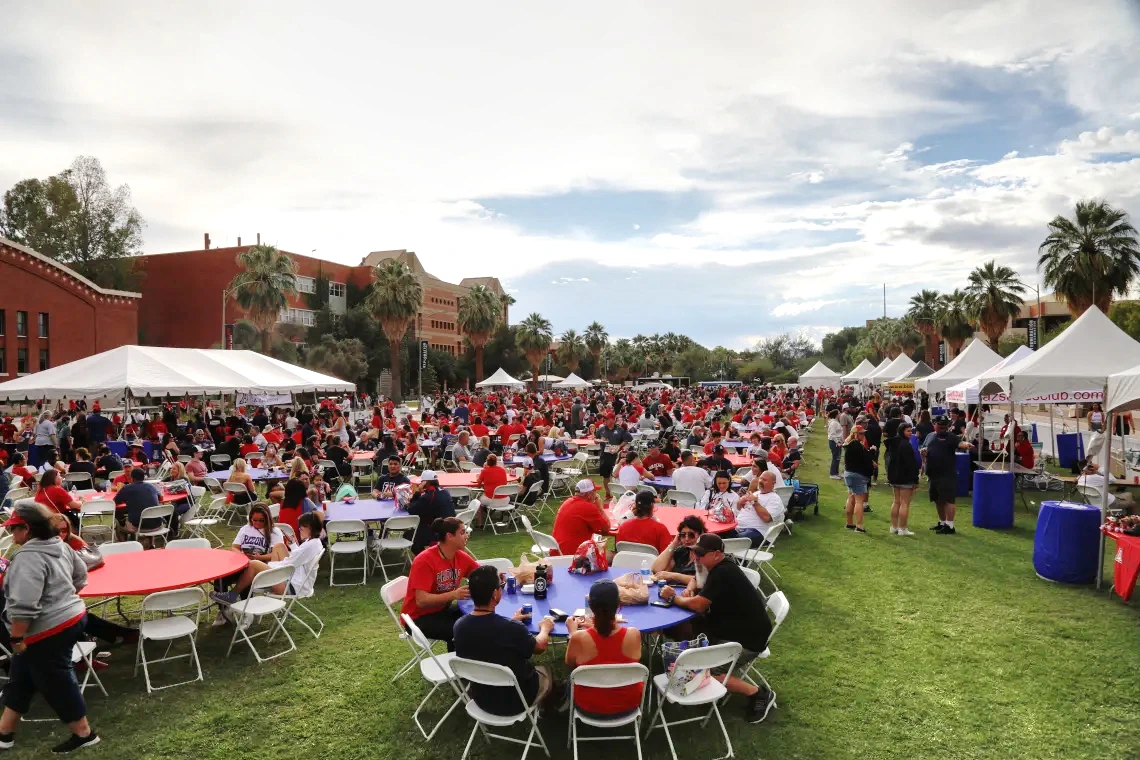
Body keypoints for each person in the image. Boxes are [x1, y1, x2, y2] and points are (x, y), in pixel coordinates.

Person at [0, 503, 100, 753]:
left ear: (28, 528)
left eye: (15, 528)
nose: (12, 534)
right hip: (74, 617)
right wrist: (62, 600)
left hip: (47, 631)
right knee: (21, 677)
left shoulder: (28, 557)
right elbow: (81, 577)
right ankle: (4, 733)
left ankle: (84, 734)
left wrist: (16, 638)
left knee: (57, 682)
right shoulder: (60, 545)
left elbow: (24, 605)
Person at [660, 533, 775, 723]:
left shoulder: (722, 572)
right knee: (691, 629)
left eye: (701, 554)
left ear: (717, 554)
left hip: (748, 640)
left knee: (707, 672)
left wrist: (674, 598)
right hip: (738, 630)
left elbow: (699, 605)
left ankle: (759, 693)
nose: (697, 557)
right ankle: (691, 661)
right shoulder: (719, 568)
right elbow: (699, 588)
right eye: (696, 553)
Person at [453, 565, 555, 715]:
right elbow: (540, 646)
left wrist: (512, 622)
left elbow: (488, 634)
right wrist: (545, 628)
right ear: (495, 594)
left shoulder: (459, 626)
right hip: (517, 701)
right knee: (546, 670)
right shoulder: (511, 629)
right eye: (500, 586)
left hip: (482, 698)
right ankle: (550, 706)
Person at [564, 580, 643, 719]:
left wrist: (572, 633)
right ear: (619, 605)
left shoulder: (578, 638)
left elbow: (570, 664)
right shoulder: (633, 634)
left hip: (588, 707)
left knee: (570, 677)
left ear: (590, 606)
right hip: (628, 706)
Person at [211, 512, 325, 607]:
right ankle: (252, 585)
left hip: (293, 587)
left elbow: (290, 564)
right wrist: (293, 545)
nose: (299, 530)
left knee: (254, 564)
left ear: (309, 528)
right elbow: (298, 559)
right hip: (297, 579)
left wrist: (269, 567)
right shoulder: (314, 542)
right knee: (279, 546)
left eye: (301, 528)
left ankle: (232, 595)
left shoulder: (309, 546)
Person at [400, 517, 479, 650]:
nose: (466, 536)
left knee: (478, 618)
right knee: (463, 630)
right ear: (450, 536)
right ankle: (458, 666)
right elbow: (421, 601)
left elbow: (480, 574)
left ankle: (467, 660)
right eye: (462, 532)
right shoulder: (424, 561)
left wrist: (495, 576)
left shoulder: (459, 556)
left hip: (441, 610)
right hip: (418, 618)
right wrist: (454, 594)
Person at [920, 415, 973, 535]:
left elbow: (961, 444)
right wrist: (923, 452)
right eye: (941, 425)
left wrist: (967, 444)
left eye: (945, 425)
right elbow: (923, 448)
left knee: (949, 500)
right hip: (933, 473)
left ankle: (950, 526)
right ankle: (942, 522)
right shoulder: (930, 436)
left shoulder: (951, 437)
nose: (943, 427)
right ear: (935, 425)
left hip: (947, 474)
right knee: (938, 500)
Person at [551, 480, 613, 555]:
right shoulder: (588, 507)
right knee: (614, 556)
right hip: (573, 556)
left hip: (556, 552)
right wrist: (600, 507)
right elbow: (606, 528)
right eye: (595, 492)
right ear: (589, 494)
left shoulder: (567, 502)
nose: (597, 495)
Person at [405, 471, 456, 553]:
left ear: (426, 482)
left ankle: (427, 560)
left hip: (438, 532)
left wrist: (417, 492)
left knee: (409, 535)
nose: (420, 483)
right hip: (451, 527)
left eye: (422, 482)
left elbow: (411, 509)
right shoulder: (445, 491)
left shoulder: (428, 496)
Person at [650, 514, 706, 582]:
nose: (686, 539)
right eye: (683, 535)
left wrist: (673, 576)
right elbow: (656, 569)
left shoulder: (706, 555)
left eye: (691, 535)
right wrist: (674, 544)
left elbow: (702, 581)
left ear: (701, 535)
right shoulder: (681, 551)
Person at [886, 422, 919, 536]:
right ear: (902, 431)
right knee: (904, 503)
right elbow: (911, 464)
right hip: (905, 478)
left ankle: (894, 527)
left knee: (896, 502)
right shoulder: (906, 445)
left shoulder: (894, 443)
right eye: (908, 431)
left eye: (911, 430)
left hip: (895, 477)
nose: (910, 433)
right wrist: (915, 479)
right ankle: (902, 528)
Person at [734, 471, 785, 546]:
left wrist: (755, 502)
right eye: (760, 479)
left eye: (764, 480)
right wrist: (740, 502)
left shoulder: (774, 499)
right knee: (721, 535)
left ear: (773, 483)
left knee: (734, 540)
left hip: (759, 532)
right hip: (738, 527)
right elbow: (738, 508)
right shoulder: (755, 494)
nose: (760, 481)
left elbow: (766, 518)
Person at [112, 467, 162, 542]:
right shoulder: (152, 486)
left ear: (132, 478)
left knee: (119, 526)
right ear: (144, 477)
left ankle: (124, 545)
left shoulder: (127, 488)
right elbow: (160, 498)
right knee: (136, 514)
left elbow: (115, 501)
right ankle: (148, 541)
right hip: (158, 525)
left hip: (139, 527)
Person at [842, 426, 875, 534]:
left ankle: (849, 523)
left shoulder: (848, 444)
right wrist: (873, 451)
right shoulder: (857, 445)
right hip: (858, 475)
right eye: (861, 433)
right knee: (859, 501)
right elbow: (867, 459)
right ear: (856, 434)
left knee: (851, 497)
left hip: (848, 474)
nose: (863, 435)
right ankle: (859, 526)